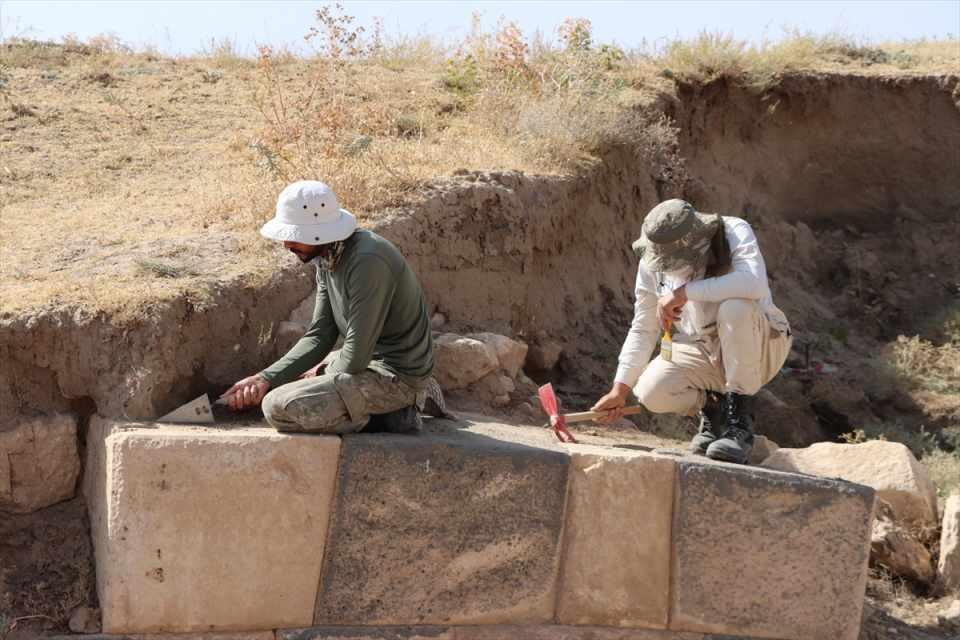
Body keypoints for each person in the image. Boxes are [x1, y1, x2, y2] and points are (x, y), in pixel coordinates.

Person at [224, 180, 436, 434]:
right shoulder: (327, 257)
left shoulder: (368, 261)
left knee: (276, 405)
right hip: (367, 365)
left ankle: (392, 414)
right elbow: (320, 335)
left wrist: (322, 372)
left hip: (396, 378)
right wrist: (264, 378)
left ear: (318, 233)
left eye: (295, 237)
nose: (287, 246)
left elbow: (356, 356)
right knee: (280, 390)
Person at [592, 199, 792, 464]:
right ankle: (714, 410)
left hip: (760, 346)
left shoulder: (732, 231)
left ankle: (738, 428)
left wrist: (683, 293)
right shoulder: (652, 264)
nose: (668, 265)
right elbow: (643, 327)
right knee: (651, 392)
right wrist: (619, 389)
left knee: (735, 308)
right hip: (702, 348)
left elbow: (753, 283)